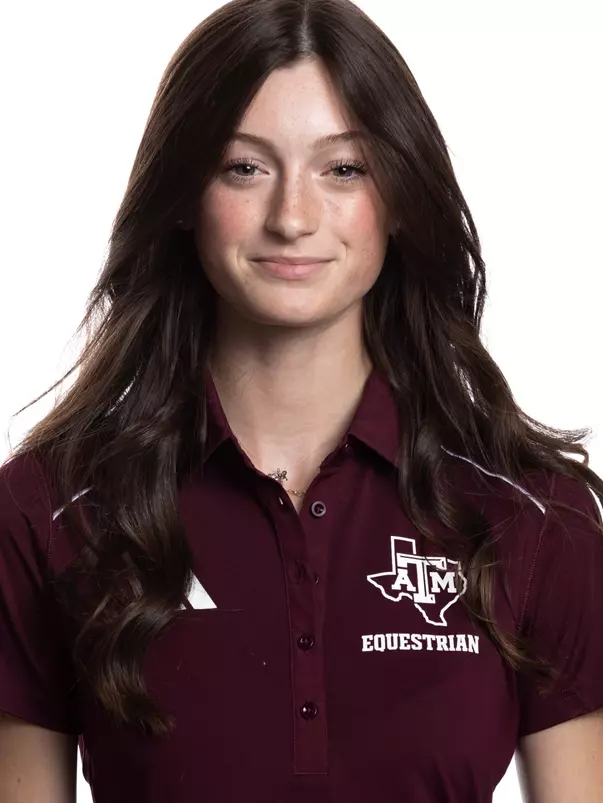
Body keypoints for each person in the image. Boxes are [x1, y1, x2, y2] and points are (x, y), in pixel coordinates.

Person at [1, 0, 602, 801]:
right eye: (244, 168)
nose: (292, 217)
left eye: (342, 169)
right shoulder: (47, 509)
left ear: (397, 196)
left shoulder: (533, 517)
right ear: (183, 195)